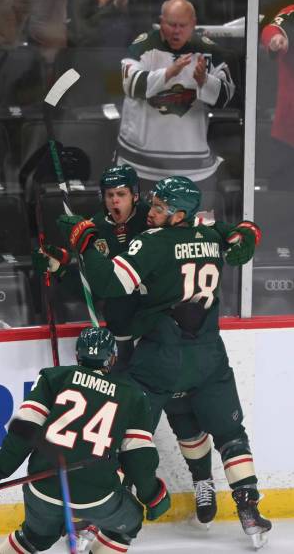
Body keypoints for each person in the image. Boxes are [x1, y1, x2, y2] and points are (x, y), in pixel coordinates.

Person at [56, 176, 272, 548]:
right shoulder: (207, 234)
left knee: (125, 435)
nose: (151, 212)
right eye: (152, 205)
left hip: (160, 357)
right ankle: (249, 508)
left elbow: (108, 283)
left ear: (178, 215)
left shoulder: (152, 242)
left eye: (159, 208)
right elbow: (237, 234)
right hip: (208, 355)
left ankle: (99, 518)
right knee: (231, 435)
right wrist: (249, 232)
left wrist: (86, 242)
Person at [35, 164, 223, 525]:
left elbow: (199, 239)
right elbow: (93, 286)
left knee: (182, 411)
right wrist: (62, 269)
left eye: (121, 194)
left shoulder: (155, 225)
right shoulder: (93, 229)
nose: (114, 201)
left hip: (157, 338)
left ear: (136, 195)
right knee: (124, 426)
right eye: (109, 195)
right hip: (120, 343)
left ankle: (203, 480)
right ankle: (112, 499)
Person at [0, 326, 170, 554]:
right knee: (127, 524)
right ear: (112, 358)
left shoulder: (52, 378)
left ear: (77, 356)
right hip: (97, 496)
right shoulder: (132, 396)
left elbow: (23, 432)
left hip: (41, 487)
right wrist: (151, 494)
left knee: (35, 537)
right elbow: (138, 459)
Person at [117, 0, 235, 192]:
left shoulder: (209, 50)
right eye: (171, 24)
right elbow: (130, 84)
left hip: (194, 169)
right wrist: (168, 73)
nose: (176, 31)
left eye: (183, 25)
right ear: (161, 21)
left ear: (193, 24)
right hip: (140, 165)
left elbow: (227, 95)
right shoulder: (143, 46)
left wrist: (204, 81)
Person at [260, 4, 294, 190]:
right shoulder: (291, 11)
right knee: (281, 201)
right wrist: (275, 39)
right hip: (288, 134)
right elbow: (272, 29)